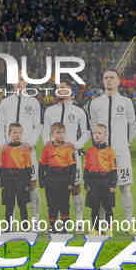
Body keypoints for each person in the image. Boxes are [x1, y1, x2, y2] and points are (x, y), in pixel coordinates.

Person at [89, 69, 136, 225]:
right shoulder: (95, 103)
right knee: (101, 189)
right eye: (106, 78)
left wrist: (126, 142)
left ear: (118, 81)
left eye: (112, 77)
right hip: (102, 154)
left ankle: (129, 222)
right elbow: (93, 127)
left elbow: (133, 125)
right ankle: (102, 224)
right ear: (103, 81)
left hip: (121, 152)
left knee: (125, 188)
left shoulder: (126, 102)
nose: (109, 80)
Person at [42, 79, 89, 228]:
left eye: (64, 87)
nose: (60, 90)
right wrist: (49, 145)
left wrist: (76, 145)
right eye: (58, 87)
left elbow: (86, 132)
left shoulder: (78, 111)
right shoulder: (50, 111)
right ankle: (54, 220)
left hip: (72, 156)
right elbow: (45, 132)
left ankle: (79, 219)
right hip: (54, 157)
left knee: (75, 187)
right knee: (55, 189)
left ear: (70, 90)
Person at [0, 80, 42, 224]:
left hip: (27, 151)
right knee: (10, 187)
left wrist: (31, 143)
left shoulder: (33, 102)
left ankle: (35, 220)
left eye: (22, 80)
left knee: (32, 184)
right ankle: (11, 222)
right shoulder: (5, 102)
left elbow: (37, 126)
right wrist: (3, 143)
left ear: (26, 83)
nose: (19, 83)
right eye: (17, 80)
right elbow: (0, 125)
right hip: (10, 151)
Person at [39, 123, 76, 233]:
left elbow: (73, 167)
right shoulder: (47, 148)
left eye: (62, 133)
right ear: (52, 134)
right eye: (58, 133)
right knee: (52, 204)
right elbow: (42, 165)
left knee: (64, 204)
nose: (60, 135)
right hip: (51, 179)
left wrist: (71, 182)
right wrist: (42, 180)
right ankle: (53, 227)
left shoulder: (68, 148)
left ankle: (64, 227)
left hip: (64, 179)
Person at [84, 124, 117, 236]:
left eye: (99, 133)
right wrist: (86, 183)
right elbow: (86, 169)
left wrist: (112, 185)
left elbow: (113, 170)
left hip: (106, 181)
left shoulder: (110, 151)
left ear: (105, 135)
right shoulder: (90, 151)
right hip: (93, 182)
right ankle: (95, 228)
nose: (96, 135)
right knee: (94, 207)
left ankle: (109, 229)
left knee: (108, 207)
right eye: (94, 133)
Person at [0, 123, 32, 229]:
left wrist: (28, 183)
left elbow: (28, 166)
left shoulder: (25, 148)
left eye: (19, 133)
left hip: (21, 179)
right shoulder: (5, 148)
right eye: (14, 132)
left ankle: (25, 226)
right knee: (9, 205)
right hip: (8, 180)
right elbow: (2, 166)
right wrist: (2, 183)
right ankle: (8, 227)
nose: (17, 135)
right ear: (9, 134)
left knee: (22, 204)